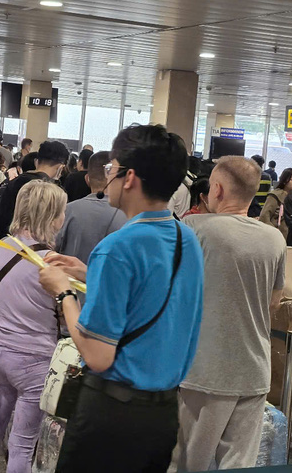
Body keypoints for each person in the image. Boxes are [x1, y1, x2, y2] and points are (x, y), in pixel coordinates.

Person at [39, 124, 203, 472]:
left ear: (129, 178)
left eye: (112, 169)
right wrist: (88, 272)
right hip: (163, 416)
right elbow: (151, 291)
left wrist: (64, 292)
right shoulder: (185, 238)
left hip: (111, 416)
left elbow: (98, 355)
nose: (108, 176)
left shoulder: (116, 248)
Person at [177, 156, 286, 471]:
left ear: (217, 189)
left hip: (206, 369)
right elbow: (274, 303)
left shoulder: (194, 228)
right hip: (254, 370)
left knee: (187, 462)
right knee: (240, 463)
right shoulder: (274, 238)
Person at [0, 181, 66, 472]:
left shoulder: (0, 249)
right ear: (50, 216)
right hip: (36, 361)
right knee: (23, 444)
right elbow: (64, 314)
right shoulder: (51, 263)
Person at [55, 151, 128, 265]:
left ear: (87, 179)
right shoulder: (129, 217)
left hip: (67, 280)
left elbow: (53, 248)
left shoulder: (66, 210)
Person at [0, 141, 69, 238]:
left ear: (36, 161)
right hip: (34, 247)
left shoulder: (14, 182)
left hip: (7, 243)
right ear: (61, 167)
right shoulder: (52, 191)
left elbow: (2, 218)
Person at [259, 168, 292, 240]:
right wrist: (275, 232)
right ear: (284, 180)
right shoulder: (276, 195)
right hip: (275, 237)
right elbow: (264, 216)